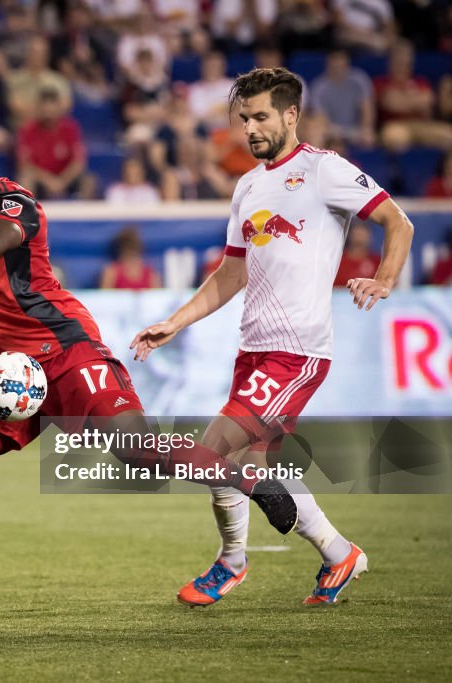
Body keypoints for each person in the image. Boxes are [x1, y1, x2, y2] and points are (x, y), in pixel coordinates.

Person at [0, 42, 299, 629]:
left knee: (135, 448)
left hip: (63, 353)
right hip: (8, 379)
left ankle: (246, 475)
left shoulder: (15, 203)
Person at [131, 67, 414, 607]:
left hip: (298, 353)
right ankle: (338, 554)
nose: (250, 128)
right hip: (253, 349)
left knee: (211, 452)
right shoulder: (248, 185)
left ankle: (231, 564)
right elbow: (230, 274)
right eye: (244, 119)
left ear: (291, 115)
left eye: (261, 116)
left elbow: (399, 223)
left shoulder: (323, 170)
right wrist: (177, 320)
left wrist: (383, 279)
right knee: (245, 469)